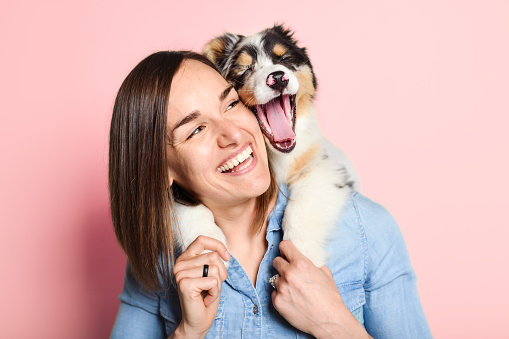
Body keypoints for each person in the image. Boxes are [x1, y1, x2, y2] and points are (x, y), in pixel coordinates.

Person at [109, 50, 432, 338]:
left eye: (232, 103)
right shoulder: (159, 254)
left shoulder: (366, 229)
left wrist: (335, 325)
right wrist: (189, 332)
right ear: (159, 168)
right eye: (196, 129)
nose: (234, 134)